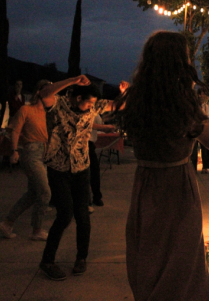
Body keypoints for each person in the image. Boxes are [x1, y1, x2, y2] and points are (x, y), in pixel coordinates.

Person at [113, 31, 209, 300]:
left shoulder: (138, 98)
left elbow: (190, 129)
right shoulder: (181, 101)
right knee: (180, 261)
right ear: (179, 60)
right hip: (176, 187)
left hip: (146, 184)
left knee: (150, 254)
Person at [37, 75, 128, 281]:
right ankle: (47, 261)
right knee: (65, 214)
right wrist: (72, 81)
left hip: (81, 167)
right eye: (89, 103)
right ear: (78, 98)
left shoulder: (93, 106)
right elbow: (44, 94)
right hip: (58, 168)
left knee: (83, 216)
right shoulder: (58, 105)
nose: (93, 108)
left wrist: (124, 93)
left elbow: (119, 106)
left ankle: (81, 258)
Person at [0, 80, 53, 241]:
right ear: (39, 93)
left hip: (43, 153)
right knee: (44, 193)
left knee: (32, 193)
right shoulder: (26, 109)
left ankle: (7, 223)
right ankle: (36, 229)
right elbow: (15, 130)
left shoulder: (48, 113)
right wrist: (14, 151)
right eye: (49, 93)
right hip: (31, 153)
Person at [88, 114, 116, 207]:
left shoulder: (94, 113)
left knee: (92, 172)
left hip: (89, 144)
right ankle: (94, 198)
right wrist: (104, 127)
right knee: (93, 172)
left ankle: (95, 197)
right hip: (87, 144)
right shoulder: (94, 114)